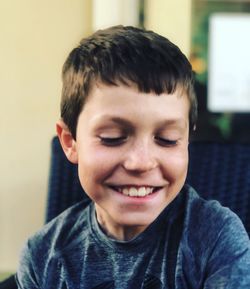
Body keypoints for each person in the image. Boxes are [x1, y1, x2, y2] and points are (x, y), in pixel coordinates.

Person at [16, 25, 250, 289]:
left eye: (167, 139)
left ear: (186, 141)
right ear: (70, 142)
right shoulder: (42, 258)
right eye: (113, 137)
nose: (141, 162)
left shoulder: (216, 239)